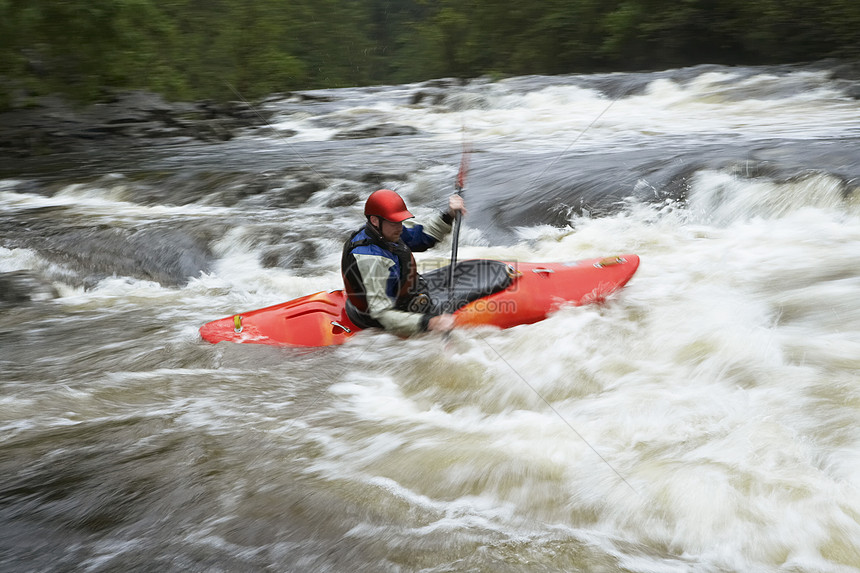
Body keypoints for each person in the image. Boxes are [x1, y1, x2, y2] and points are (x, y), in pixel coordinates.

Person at [341, 188, 467, 336]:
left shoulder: (384, 232)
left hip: (402, 293)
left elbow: (422, 238)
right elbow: (382, 314)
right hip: (382, 317)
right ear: (375, 220)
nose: (400, 227)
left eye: (400, 221)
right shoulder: (371, 260)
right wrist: (431, 323)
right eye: (394, 222)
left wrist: (449, 215)